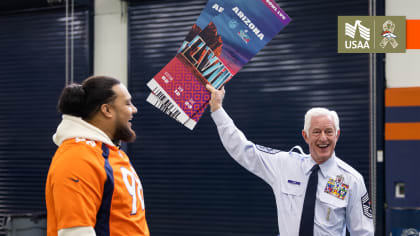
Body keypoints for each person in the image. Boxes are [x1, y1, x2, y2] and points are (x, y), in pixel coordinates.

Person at [206, 84, 374, 236]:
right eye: (316, 132)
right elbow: (243, 149)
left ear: (337, 135)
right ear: (305, 136)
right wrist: (217, 108)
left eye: (329, 131)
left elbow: (364, 232)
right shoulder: (284, 165)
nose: (323, 138)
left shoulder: (352, 180)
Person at [45, 76, 149, 236]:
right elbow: (76, 232)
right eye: (127, 103)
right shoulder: (77, 158)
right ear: (107, 110)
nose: (134, 109)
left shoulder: (108, 152)